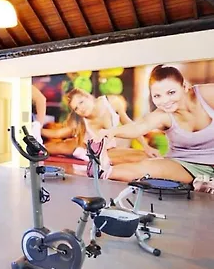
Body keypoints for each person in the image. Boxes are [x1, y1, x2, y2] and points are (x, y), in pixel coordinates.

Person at [89, 64, 214, 192]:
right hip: (185, 165)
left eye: (171, 92)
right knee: (147, 167)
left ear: (185, 86)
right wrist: (111, 132)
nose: (165, 101)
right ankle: (103, 171)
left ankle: (206, 183)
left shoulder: (206, 94)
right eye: (157, 96)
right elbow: (138, 127)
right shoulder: (162, 115)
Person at [41, 88, 160, 163]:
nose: (81, 108)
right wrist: (35, 128)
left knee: (146, 157)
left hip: (107, 150)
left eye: (81, 102)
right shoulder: (81, 120)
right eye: (76, 108)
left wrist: (146, 146)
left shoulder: (112, 102)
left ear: (88, 96)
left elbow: (129, 125)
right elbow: (58, 133)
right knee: (42, 149)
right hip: (81, 146)